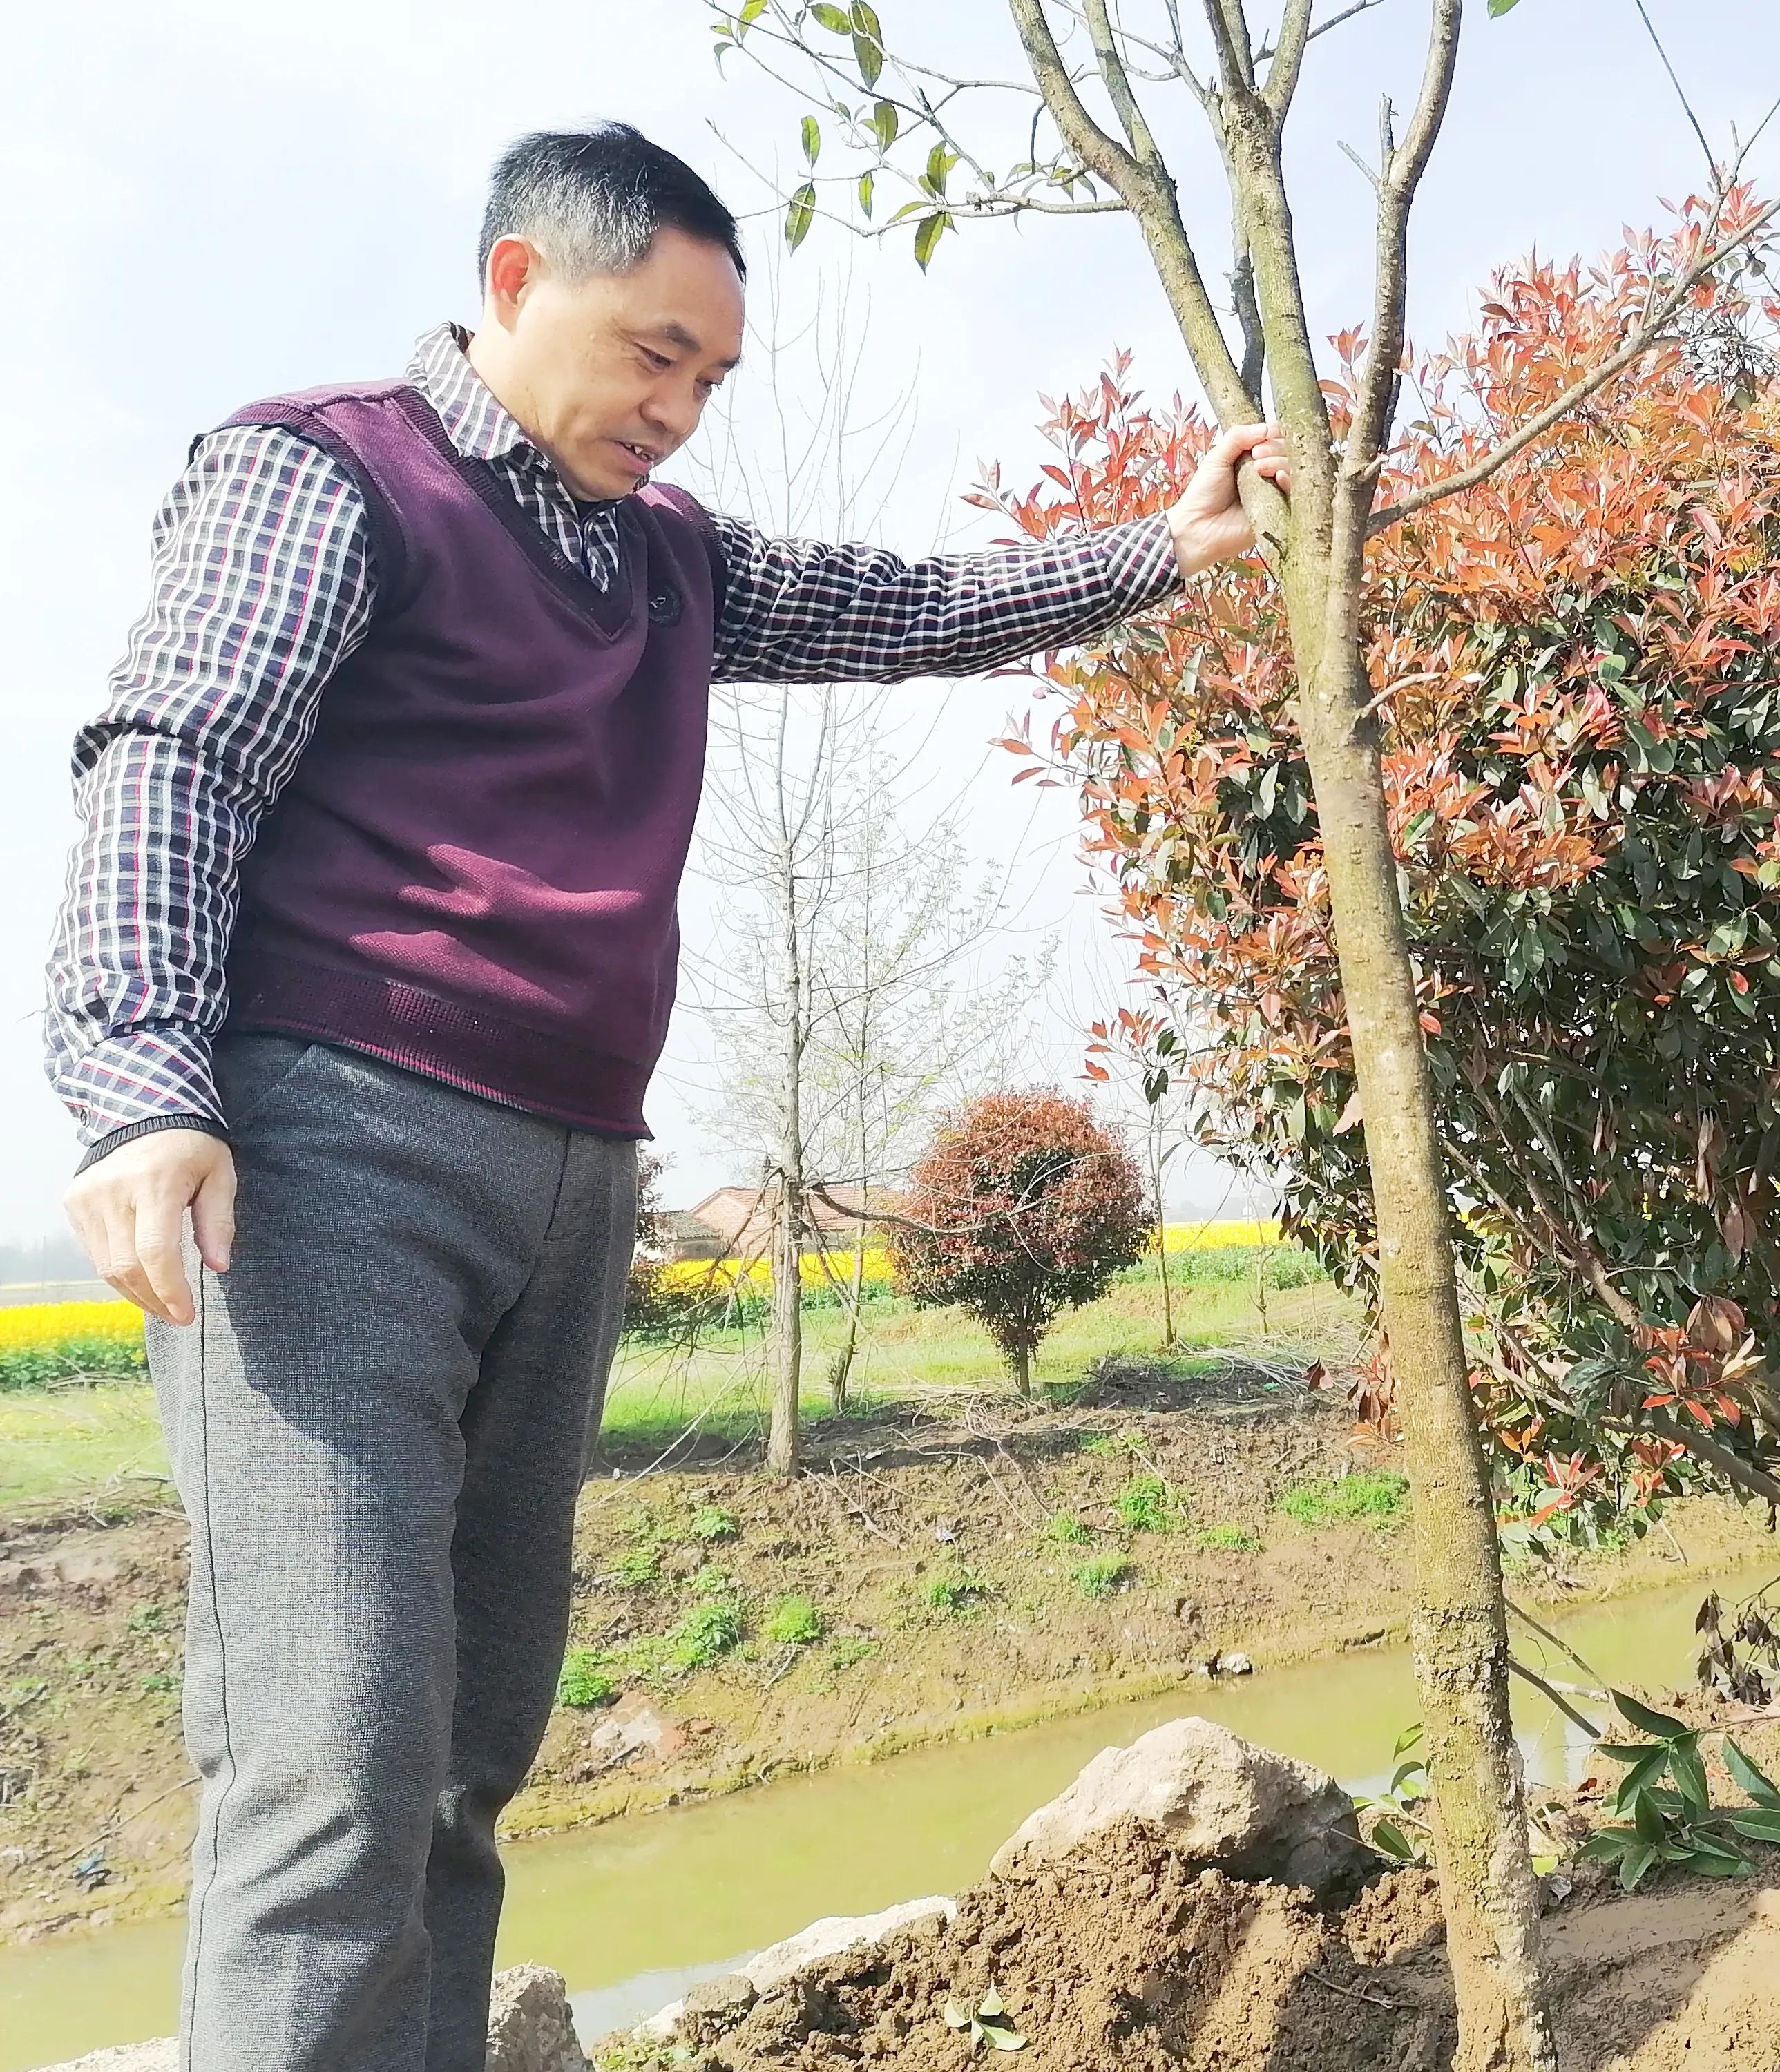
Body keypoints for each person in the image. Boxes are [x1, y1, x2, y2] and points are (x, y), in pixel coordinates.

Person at [44, 122, 1288, 2072]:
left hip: (576, 1189)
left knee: (463, 1763)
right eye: (653, 352)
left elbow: (910, 606)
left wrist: (1167, 547)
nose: (681, 410)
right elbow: (176, 756)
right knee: (332, 1766)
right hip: (332, 1158)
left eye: (713, 377)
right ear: (521, 282)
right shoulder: (332, 468)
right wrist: (139, 1087)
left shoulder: (664, 560)